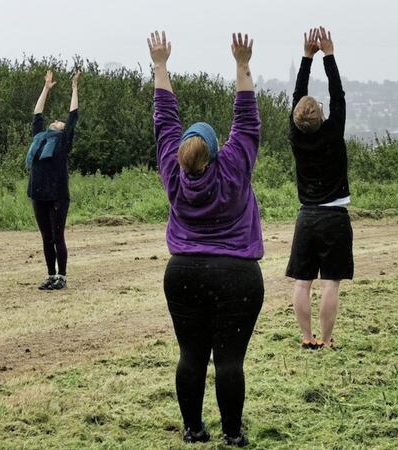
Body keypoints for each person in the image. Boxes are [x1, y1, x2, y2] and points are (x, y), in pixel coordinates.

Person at [150, 30, 263, 447]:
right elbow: (247, 119)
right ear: (216, 151)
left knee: (191, 355)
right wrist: (241, 64)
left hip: (183, 272)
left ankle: (194, 430)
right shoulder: (234, 166)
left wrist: (160, 64)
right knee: (230, 360)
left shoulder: (173, 172)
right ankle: (233, 435)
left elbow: (164, 119)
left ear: (180, 153)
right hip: (238, 274)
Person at [286, 27, 353, 350]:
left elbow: (298, 93)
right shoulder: (333, 132)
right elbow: (338, 95)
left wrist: (306, 57)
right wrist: (328, 55)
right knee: (331, 283)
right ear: (323, 115)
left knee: (303, 282)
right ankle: (325, 341)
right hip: (335, 216)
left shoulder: (297, 137)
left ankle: (306, 337)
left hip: (306, 217)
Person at [25, 70, 79, 291]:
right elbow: (37, 113)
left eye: (60, 122)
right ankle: (50, 275)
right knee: (46, 237)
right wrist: (46, 88)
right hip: (38, 194)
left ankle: (62, 277)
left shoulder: (63, 141)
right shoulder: (39, 138)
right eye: (54, 121)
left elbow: (73, 115)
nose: (56, 121)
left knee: (58, 236)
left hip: (57, 195)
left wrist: (74, 88)